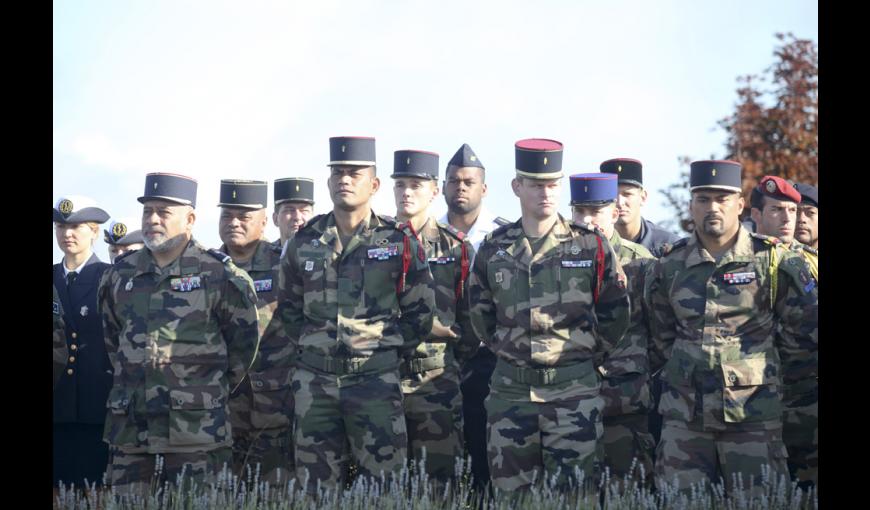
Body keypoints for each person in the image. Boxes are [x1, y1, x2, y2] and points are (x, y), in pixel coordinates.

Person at [466, 139, 630, 492]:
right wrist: (511, 350)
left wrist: (583, 355)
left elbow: (615, 311)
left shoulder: (590, 245)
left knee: (575, 495)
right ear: (517, 187)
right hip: (512, 392)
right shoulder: (495, 248)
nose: (546, 192)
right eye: (536, 184)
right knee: (512, 496)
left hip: (573, 392)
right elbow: (480, 313)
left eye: (553, 184)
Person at [644, 160, 818, 492]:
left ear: (739, 205)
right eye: (704, 199)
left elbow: (802, 337)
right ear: (691, 205)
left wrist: (766, 380)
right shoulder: (669, 265)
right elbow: (660, 335)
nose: (713, 208)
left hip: (752, 420)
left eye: (723, 199)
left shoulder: (772, 260)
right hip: (685, 421)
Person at [277, 136, 435, 491]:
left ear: (375, 185)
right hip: (315, 384)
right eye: (338, 173)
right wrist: (316, 345)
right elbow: (288, 308)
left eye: (354, 173)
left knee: (383, 486)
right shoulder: (304, 242)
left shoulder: (398, 241)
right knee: (313, 488)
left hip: (375, 383)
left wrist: (382, 350)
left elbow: (420, 313)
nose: (345, 180)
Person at [98, 173, 260, 493]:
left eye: (164, 212)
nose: (153, 219)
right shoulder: (120, 275)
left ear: (190, 219)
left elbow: (243, 348)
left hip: (196, 433)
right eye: (148, 211)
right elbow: (113, 340)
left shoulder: (220, 275)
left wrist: (201, 393)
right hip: (132, 431)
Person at [390, 149, 478, 482]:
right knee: (386, 482)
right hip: (381, 379)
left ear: (434, 191)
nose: (407, 192)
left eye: (416, 184)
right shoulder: (374, 243)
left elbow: (472, 319)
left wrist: (448, 356)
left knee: (439, 481)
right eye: (401, 185)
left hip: (436, 381)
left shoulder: (455, 248)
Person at [569, 173, 655, 486]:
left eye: (596, 212)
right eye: (580, 211)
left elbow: (660, 332)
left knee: (629, 491)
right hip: (570, 401)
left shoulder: (641, 264)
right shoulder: (557, 262)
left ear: (614, 213)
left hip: (626, 401)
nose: (587, 221)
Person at [439, 142, 509, 489]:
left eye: (468, 181)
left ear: (483, 188)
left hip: (486, 359)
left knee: (485, 456)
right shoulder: (422, 238)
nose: (460, 187)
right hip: (438, 360)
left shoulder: (503, 237)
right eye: (453, 181)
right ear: (442, 187)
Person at [599, 158, 681, 448]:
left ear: (643, 197)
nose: (620, 202)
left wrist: (645, 363)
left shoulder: (666, 247)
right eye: (612, 194)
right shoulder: (582, 246)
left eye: (628, 193)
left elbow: (667, 322)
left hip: (648, 374)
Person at [216, 179, 294, 484]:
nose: (233, 223)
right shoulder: (206, 268)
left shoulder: (286, 266)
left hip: (275, 406)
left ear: (264, 222)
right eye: (227, 216)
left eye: (244, 217)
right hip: (219, 407)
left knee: (275, 493)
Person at [749, 176, 818, 489]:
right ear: (756, 215)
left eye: (793, 211)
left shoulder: (811, 263)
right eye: (778, 210)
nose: (789, 218)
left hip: (803, 396)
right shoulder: (736, 261)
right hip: (750, 397)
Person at [53, 195, 112, 491]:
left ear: (95, 232)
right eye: (61, 227)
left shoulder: (109, 278)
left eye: (77, 227)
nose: (67, 234)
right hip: (57, 405)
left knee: (93, 492)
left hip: (97, 406)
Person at [272, 177, 315, 251]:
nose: (297, 217)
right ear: (275, 219)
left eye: (304, 210)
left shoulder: (328, 256)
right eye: (289, 210)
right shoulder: (262, 257)